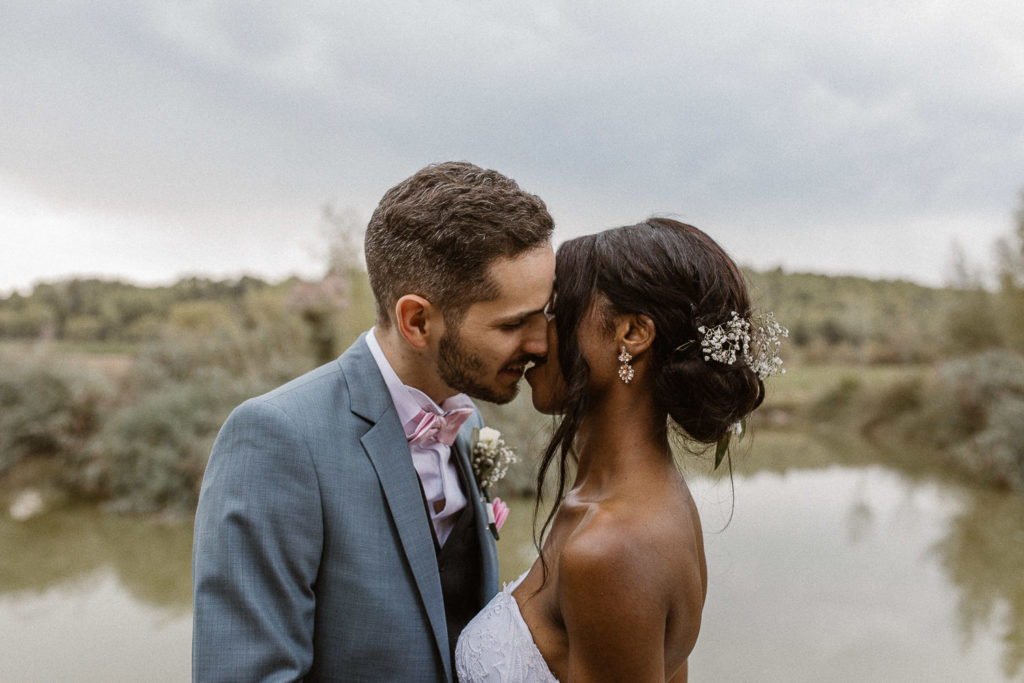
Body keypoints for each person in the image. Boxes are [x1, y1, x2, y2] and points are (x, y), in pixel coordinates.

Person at [191, 161, 555, 682]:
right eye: (513, 323)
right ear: (417, 321)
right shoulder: (277, 440)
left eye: (544, 313)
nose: (540, 342)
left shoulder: (469, 424)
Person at [456, 218, 785, 682]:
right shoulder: (653, 503)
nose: (533, 339)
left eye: (554, 311)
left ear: (631, 334)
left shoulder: (612, 549)